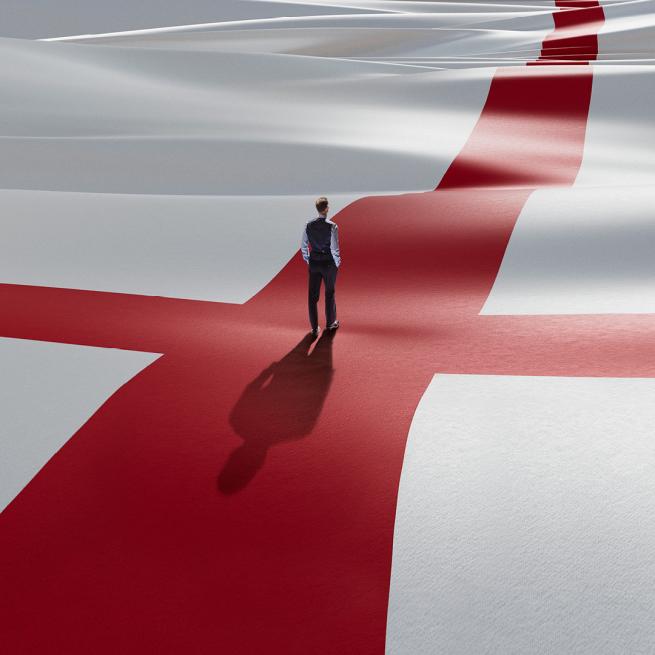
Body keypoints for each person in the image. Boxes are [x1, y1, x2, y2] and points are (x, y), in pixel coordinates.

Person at [300, 196, 340, 338]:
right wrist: (337, 262)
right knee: (329, 293)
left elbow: (303, 245)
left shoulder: (308, 225)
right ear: (326, 209)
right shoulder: (332, 226)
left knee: (312, 296)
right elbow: (335, 248)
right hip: (328, 263)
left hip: (314, 262)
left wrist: (308, 259)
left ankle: (314, 327)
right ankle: (330, 322)